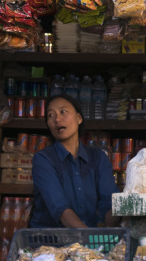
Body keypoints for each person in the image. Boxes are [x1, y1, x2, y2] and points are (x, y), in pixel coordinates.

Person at [30, 93, 119, 228]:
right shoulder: (43, 159)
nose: (57, 119)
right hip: (51, 243)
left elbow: (110, 202)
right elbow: (60, 209)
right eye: (50, 115)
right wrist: (90, 240)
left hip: (89, 244)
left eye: (63, 112)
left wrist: (111, 228)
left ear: (79, 118)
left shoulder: (98, 158)